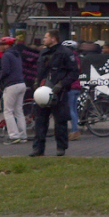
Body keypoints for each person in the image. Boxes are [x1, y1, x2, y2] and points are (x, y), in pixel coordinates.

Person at [30, 29, 79, 157]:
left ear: (53, 38)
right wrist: (36, 82)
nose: (43, 39)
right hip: (42, 91)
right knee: (40, 121)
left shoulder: (65, 53)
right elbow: (40, 70)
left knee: (60, 121)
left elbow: (74, 73)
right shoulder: (44, 52)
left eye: (46, 37)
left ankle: (61, 147)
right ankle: (38, 149)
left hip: (59, 93)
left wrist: (61, 84)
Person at [0, 37, 27, 145]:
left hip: (11, 85)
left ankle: (13, 136)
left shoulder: (6, 55)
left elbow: (5, 71)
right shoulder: (17, 55)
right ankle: (23, 135)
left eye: (1, 44)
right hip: (21, 84)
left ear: (7, 45)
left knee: (8, 111)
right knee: (19, 111)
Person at [61, 40, 83, 141]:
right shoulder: (77, 58)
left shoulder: (68, 58)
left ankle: (75, 131)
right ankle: (75, 129)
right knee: (74, 109)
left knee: (70, 110)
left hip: (71, 86)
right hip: (77, 86)